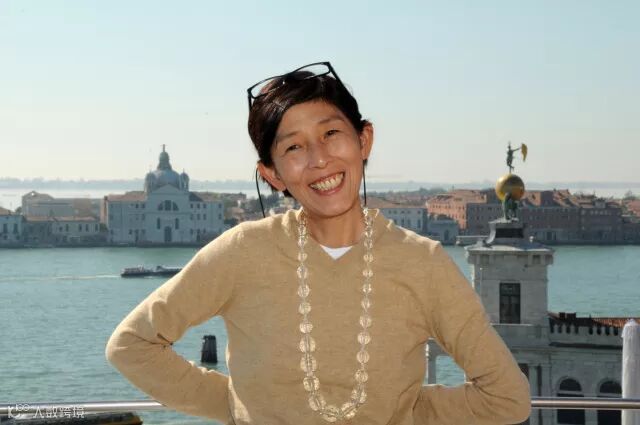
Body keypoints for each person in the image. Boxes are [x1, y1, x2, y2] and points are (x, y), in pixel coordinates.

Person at [105, 61, 531, 425]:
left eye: (330, 133)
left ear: (364, 140)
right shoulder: (242, 252)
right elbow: (131, 346)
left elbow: (507, 398)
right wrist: (238, 404)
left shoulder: (424, 264)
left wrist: (404, 411)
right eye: (293, 146)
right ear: (272, 174)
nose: (319, 158)